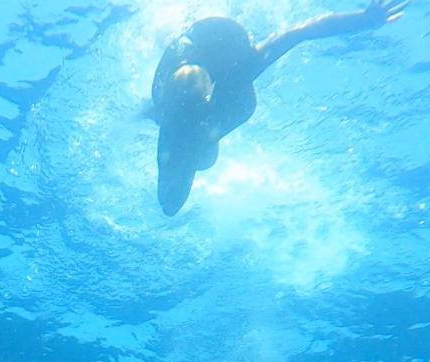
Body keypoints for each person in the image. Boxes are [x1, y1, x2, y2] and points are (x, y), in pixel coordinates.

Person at [151, 0, 409, 216]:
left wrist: (364, 19)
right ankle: (197, 146)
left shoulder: (230, 71)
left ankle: (196, 145)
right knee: (189, 166)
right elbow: (299, 32)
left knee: (189, 160)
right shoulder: (220, 76)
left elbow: (299, 32)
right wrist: (364, 20)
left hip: (217, 71)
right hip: (209, 86)